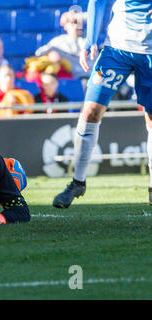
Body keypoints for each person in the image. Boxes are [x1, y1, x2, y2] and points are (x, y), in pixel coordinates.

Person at [53, 0, 151, 208]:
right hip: (117, 50)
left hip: (150, 52)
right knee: (90, 111)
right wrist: (91, 41)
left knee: (151, 118)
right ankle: (78, 182)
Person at [35, 10, 92, 84]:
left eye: (77, 21)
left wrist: (76, 17)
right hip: (77, 80)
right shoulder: (60, 40)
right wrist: (49, 53)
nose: (74, 25)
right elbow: (38, 53)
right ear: (65, 26)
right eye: (71, 22)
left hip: (94, 77)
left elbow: (98, 14)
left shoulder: (89, 39)